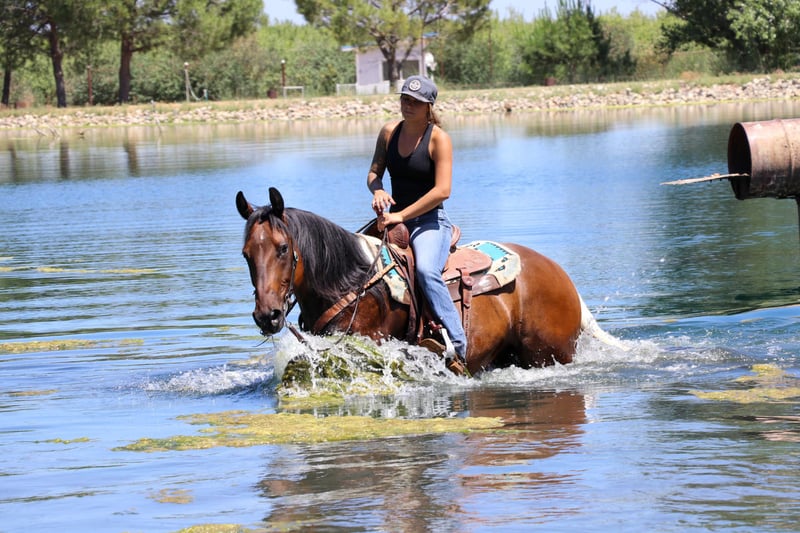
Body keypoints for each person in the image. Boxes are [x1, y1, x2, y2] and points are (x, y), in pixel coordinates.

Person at [366, 74, 468, 371]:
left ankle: (458, 347)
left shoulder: (439, 139)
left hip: (429, 221)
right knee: (362, 267)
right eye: (404, 99)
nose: (407, 105)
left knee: (425, 270)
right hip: (394, 222)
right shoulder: (389, 132)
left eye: (415, 102)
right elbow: (373, 174)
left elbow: (442, 191)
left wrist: (401, 215)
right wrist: (378, 190)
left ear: (428, 106)